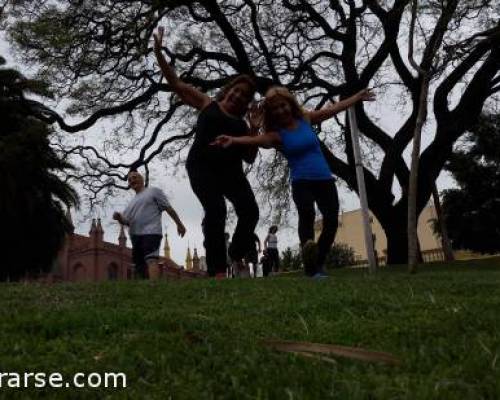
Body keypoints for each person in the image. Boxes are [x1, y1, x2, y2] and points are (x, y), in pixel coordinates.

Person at [212, 86, 375, 278]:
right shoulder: (277, 135)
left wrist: (356, 96)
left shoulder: (306, 119)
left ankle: (317, 260)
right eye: (276, 109)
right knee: (306, 214)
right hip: (301, 181)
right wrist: (232, 139)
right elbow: (254, 141)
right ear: (272, 114)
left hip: (324, 179)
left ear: (290, 104)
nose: (281, 111)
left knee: (331, 221)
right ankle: (311, 268)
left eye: (283, 106)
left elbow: (333, 109)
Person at [153, 27, 259, 279]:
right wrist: (158, 54)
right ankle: (217, 270)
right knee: (216, 210)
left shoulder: (243, 125)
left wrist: (254, 131)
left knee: (250, 212)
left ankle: (235, 252)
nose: (237, 96)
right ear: (228, 89)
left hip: (232, 171)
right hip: (202, 167)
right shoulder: (207, 104)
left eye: (244, 96)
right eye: (236, 90)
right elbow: (177, 84)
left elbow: (250, 157)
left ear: (246, 103)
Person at [113, 170, 186, 279]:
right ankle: (143, 289)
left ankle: (154, 286)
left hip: (151, 232)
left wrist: (179, 224)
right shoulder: (130, 204)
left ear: (142, 179)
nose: (132, 180)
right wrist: (119, 218)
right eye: (130, 180)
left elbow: (168, 208)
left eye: (135, 177)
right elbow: (126, 222)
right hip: (135, 236)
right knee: (139, 265)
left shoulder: (154, 192)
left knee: (151, 259)